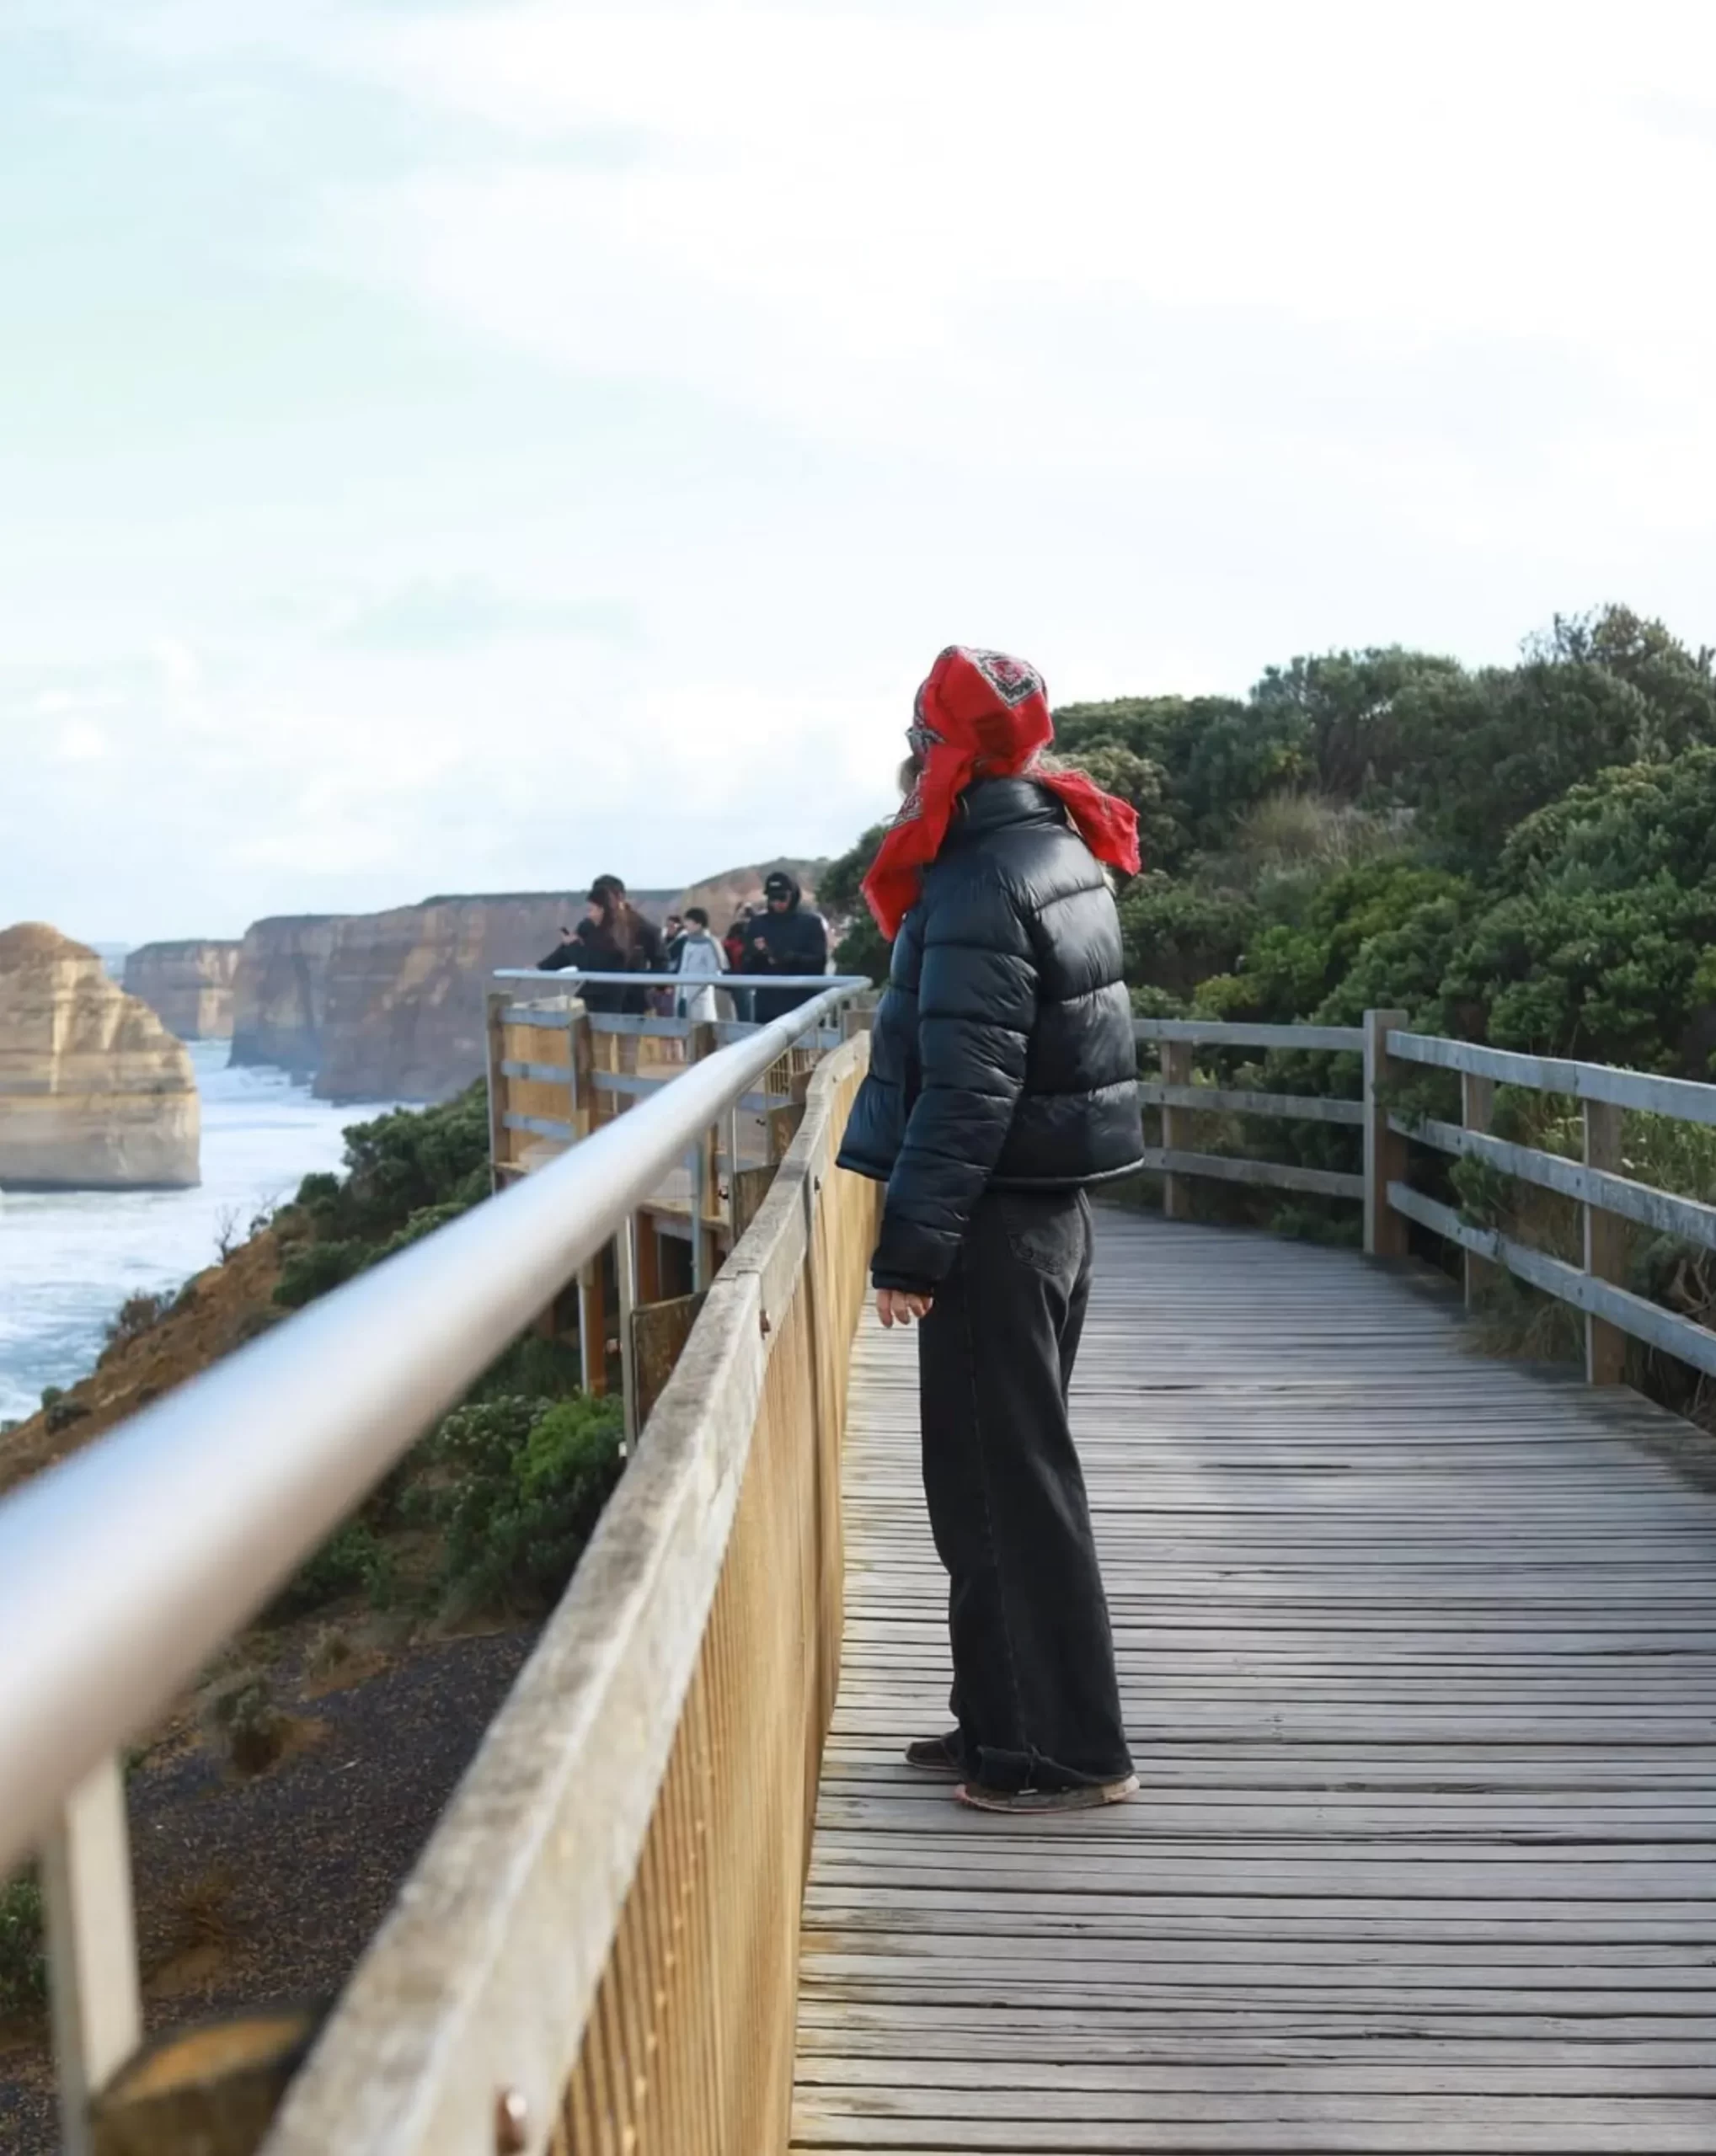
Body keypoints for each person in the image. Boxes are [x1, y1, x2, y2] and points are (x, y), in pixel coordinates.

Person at [836, 646, 1145, 1816]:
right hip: (1043, 1213)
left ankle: (1062, 1753)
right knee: (988, 1484)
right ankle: (998, 1725)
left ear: (942, 751)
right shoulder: (1057, 846)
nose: (903, 760)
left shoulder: (976, 882)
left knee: (1005, 1490)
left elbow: (969, 1087)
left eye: (913, 739)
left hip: (994, 1222)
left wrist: (912, 1249)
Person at [537, 873, 664, 1014]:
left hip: (633, 1006)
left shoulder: (643, 929)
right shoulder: (588, 926)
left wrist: (642, 983)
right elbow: (566, 954)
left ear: (620, 897)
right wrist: (541, 968)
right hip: (595, 1004)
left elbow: (661, 964)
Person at [739, 870, 828, 1023]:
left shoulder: (810, 923)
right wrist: (757, 954)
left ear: (792, 896)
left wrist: (791, 958)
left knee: (804, 1048)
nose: (777, 903)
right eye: (773, 898)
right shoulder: (757, 924)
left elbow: (819, 963)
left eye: (782, 897)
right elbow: (746, 967)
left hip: (802, 1006)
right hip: (767, 1008)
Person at [672, 905, 728, 1022]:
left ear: (699, 924)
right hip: (684, 992)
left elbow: (716, 972)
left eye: (689, 921)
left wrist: (700, 988)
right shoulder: (687, 942)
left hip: (701, 994)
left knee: (702, 1030)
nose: (686, 925)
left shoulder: (710, 944)